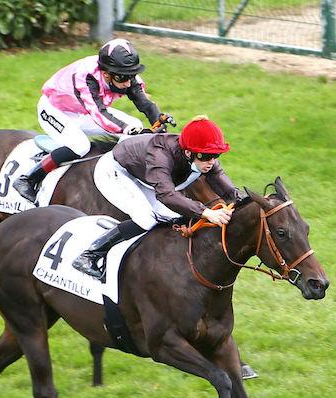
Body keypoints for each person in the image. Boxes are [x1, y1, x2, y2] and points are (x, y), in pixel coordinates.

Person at [71, 115, 236, 279]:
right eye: (205, 157)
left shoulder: (203, 157)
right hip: (115, 171)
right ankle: (89, 256)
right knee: (146, 219)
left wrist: (243, 200)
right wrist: (206, 212)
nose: (211, 162)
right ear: (188, 152)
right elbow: (166, 195)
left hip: (145, 178)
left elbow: (223, 184)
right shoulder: (160, 155)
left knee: (175, 217)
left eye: (216, 156)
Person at [13, 38, 166, 203]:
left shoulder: (123, 74)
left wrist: (158, 119)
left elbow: (143, 102)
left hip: (81, 110)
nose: (128, 82)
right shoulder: (86, 77)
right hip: (54, 110)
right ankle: (29, 179)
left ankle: (122, 175)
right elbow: (99, 114)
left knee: (136, 125)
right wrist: (128, 129)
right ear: (106, 74)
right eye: (123, 78)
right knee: (80, 146)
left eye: (132, 76)